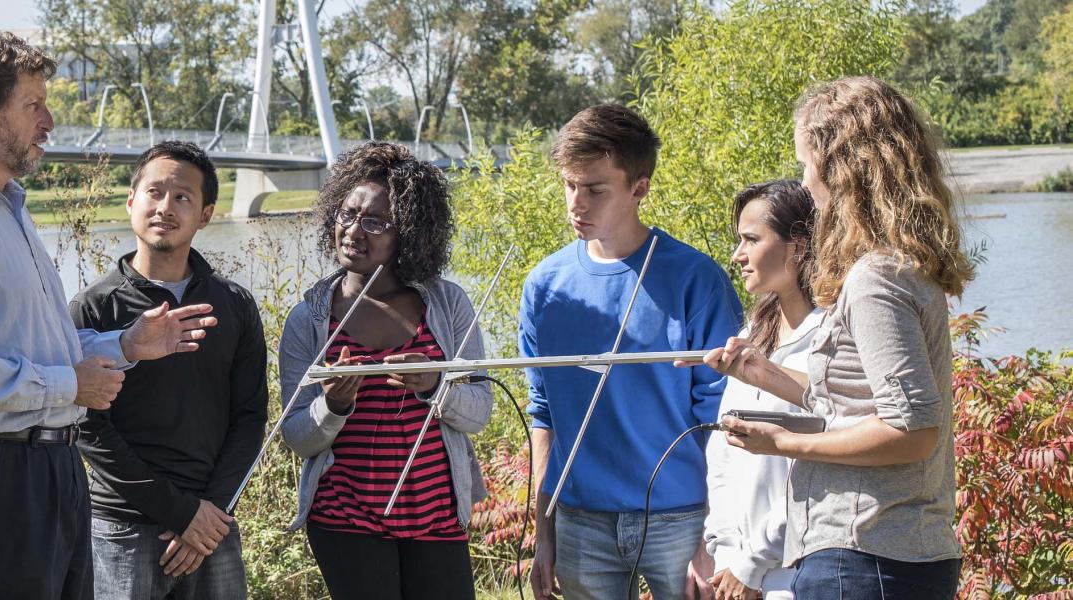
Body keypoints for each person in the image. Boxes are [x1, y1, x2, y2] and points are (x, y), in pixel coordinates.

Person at [0, 32, 217, 600]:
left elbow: (40, 346)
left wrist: (126, 345)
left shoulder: (9, 209)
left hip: (50, 470)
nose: (50, 119)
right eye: (33, 104)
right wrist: (71, 384)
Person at [694, 76, 972, 600]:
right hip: (892, 555)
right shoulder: (901, 267)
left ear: (842, 169)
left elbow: (913, 430)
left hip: (865, 556)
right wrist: (763, 373)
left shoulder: (874, 279)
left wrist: (786, 444)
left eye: (806, 165)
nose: (805, 183)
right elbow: (860, 401)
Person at [522, 103, 743, 600]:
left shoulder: (696, 281)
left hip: (682, 518)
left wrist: (715, 538)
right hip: (579, 518)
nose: (575, 203)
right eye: (568, 184)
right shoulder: (544, 287)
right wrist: (544, 532)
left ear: (638, 188)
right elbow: (544, 415)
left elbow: (723, 418)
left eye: (595, 189)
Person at [278, 142, 493, 600]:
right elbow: (297, 436)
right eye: (347, 214)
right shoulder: (309, 320)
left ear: (409, 234)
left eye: (375, 221)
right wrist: (333, 405)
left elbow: (478, 413)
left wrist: (435, 385)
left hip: (437, 514)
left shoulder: (447, 304)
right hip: (345, 519)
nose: (354, 230)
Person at [68, 141, 267, 598]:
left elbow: (250, 414)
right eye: (154, 192)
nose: (165, 207)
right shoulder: (94, 307)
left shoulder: (233, 304)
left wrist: (209, 511)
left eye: (183, 197)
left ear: (207, 213)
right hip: (123, 526)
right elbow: (88, 426)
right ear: (131, 201)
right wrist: (180, 513)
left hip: (213, 522)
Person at [703, 180, 821, 600]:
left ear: (797, 246)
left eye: (751, 240)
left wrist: (752, 564)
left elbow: (817, 474)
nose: (737, 255)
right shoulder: (751, 336)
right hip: (735, 575)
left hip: (799, 578)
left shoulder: (831, 341)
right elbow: (723, 454)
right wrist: (725, 554)